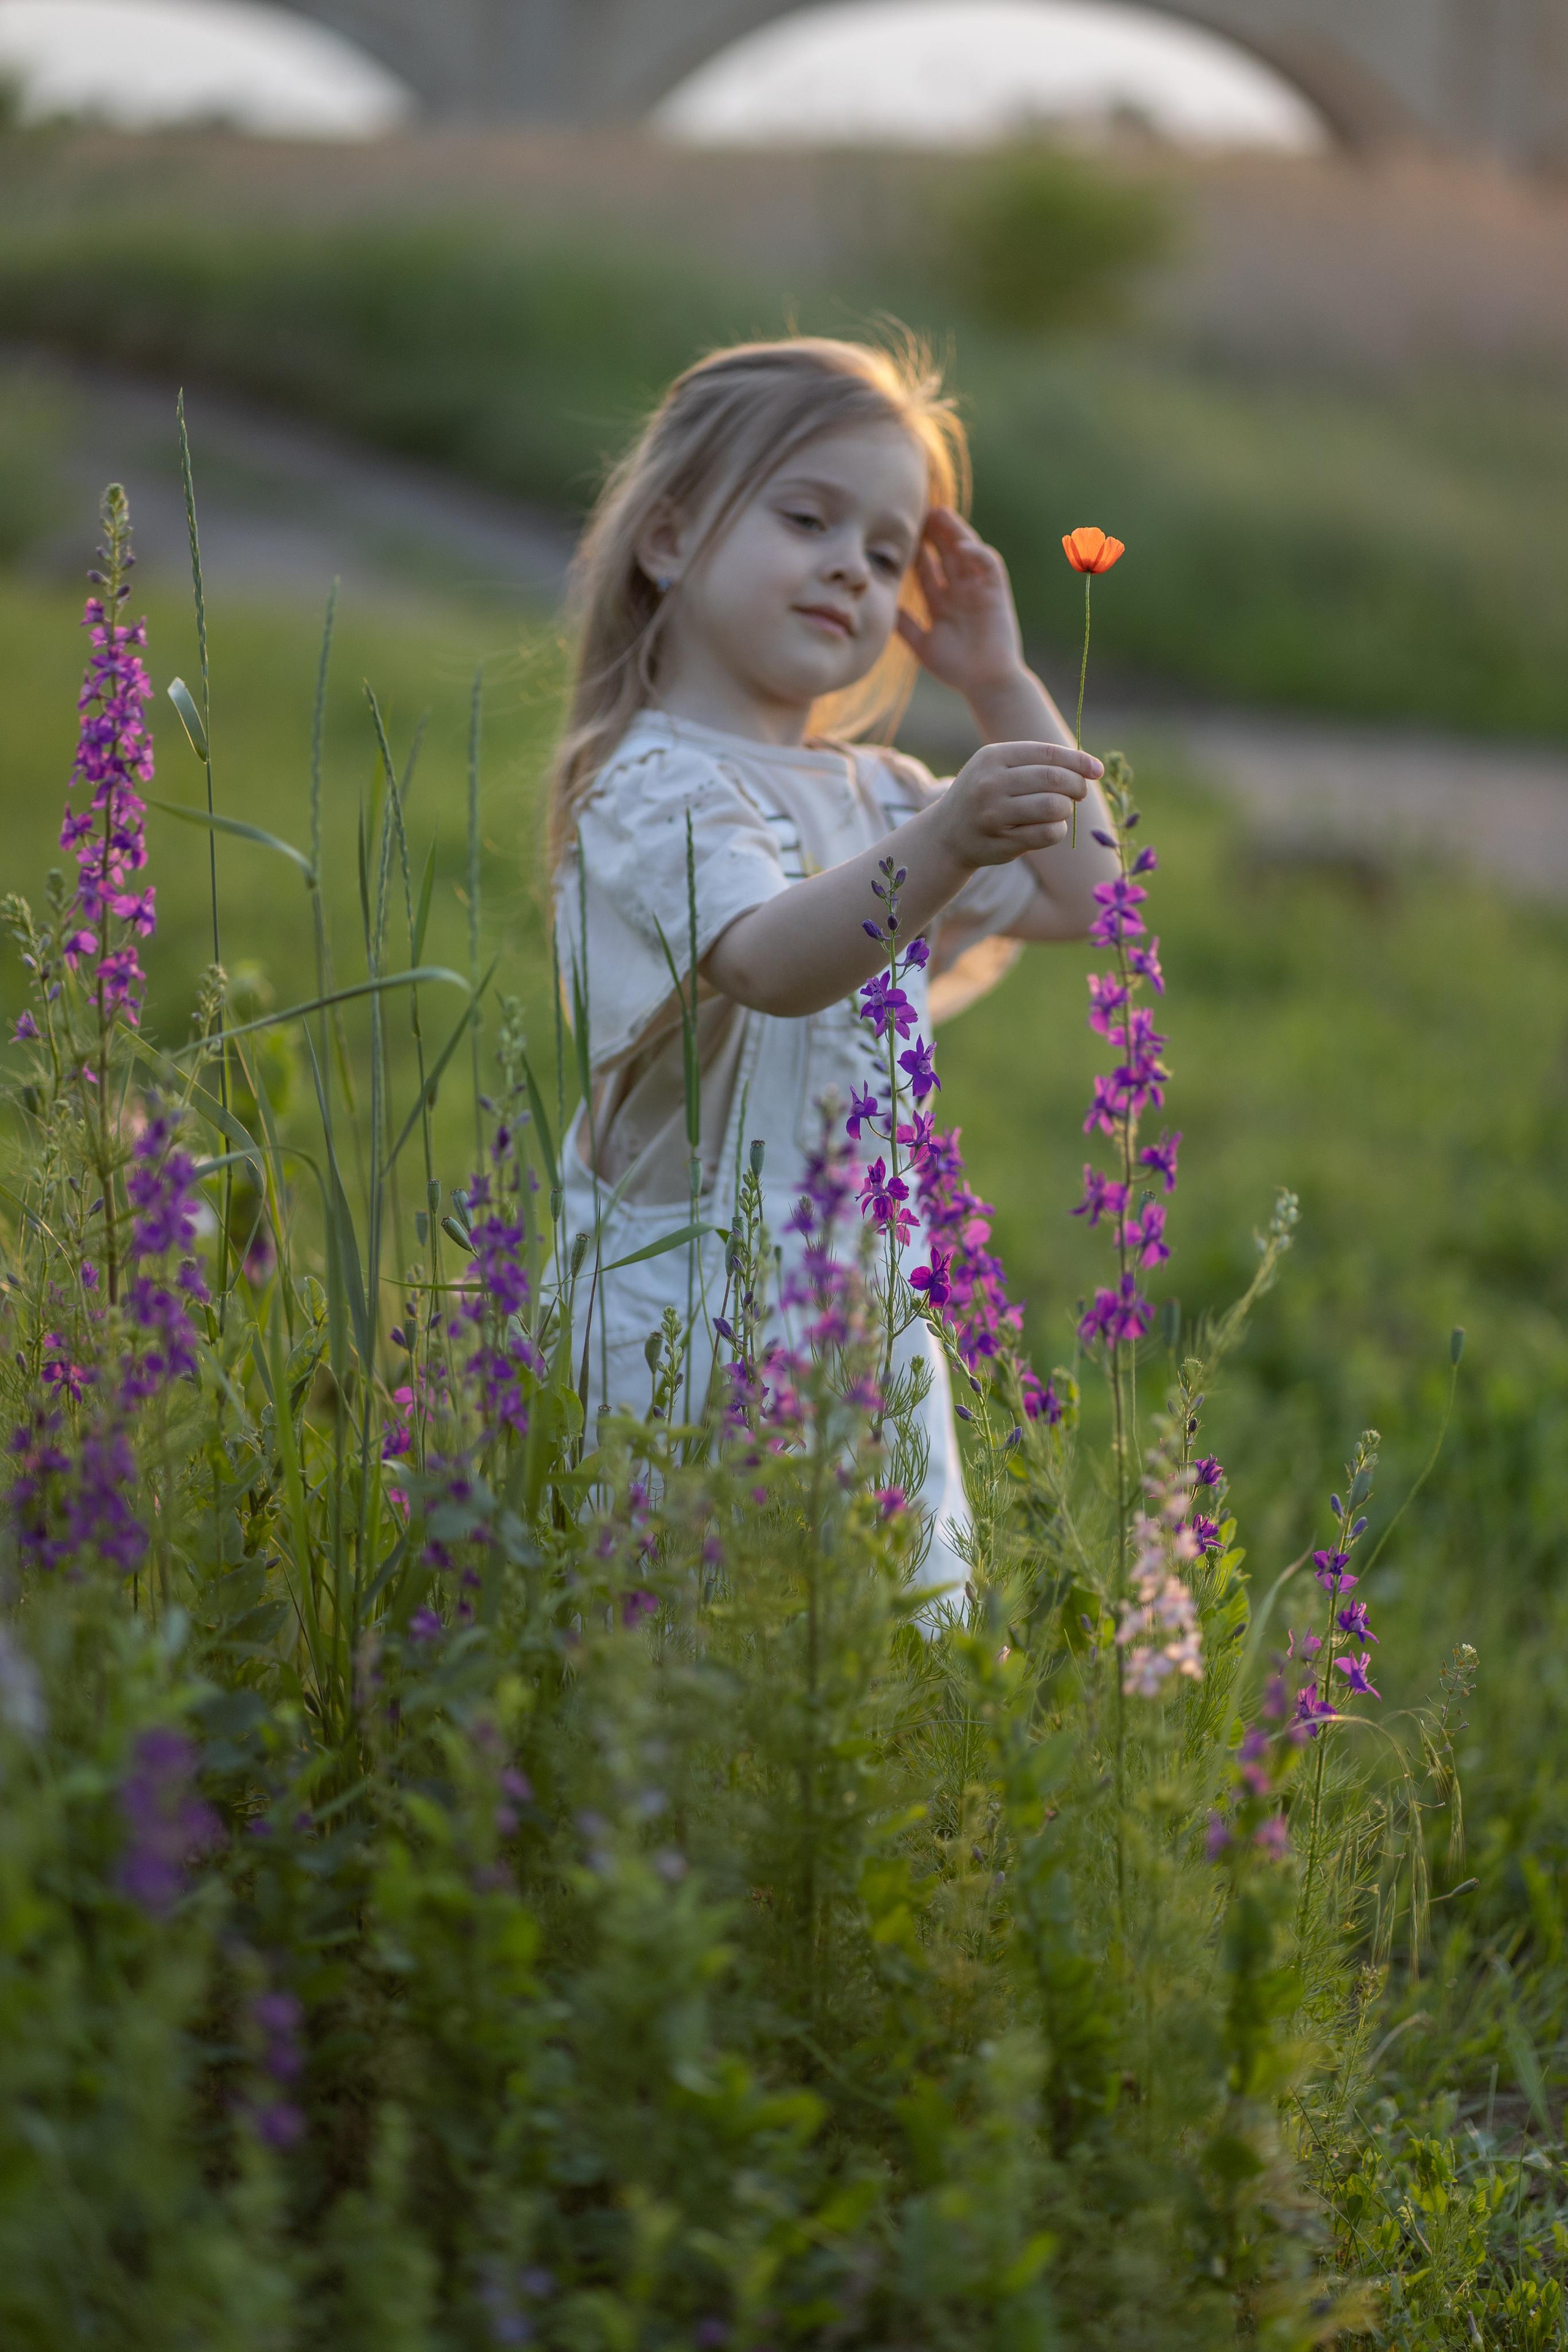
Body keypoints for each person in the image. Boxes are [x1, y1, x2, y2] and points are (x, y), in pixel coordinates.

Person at [551, 333, 1117, 1598]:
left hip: (865, 1318)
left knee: (870, 1659)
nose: (850, 572)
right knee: (682, 1653)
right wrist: (942, 839)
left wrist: (998, 678)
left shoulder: (883, 795)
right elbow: (765, 958)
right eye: (808, 519)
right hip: (683, 1325)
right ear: (667, 537)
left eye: (882, 553)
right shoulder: (649, 792)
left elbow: (1095, 899)